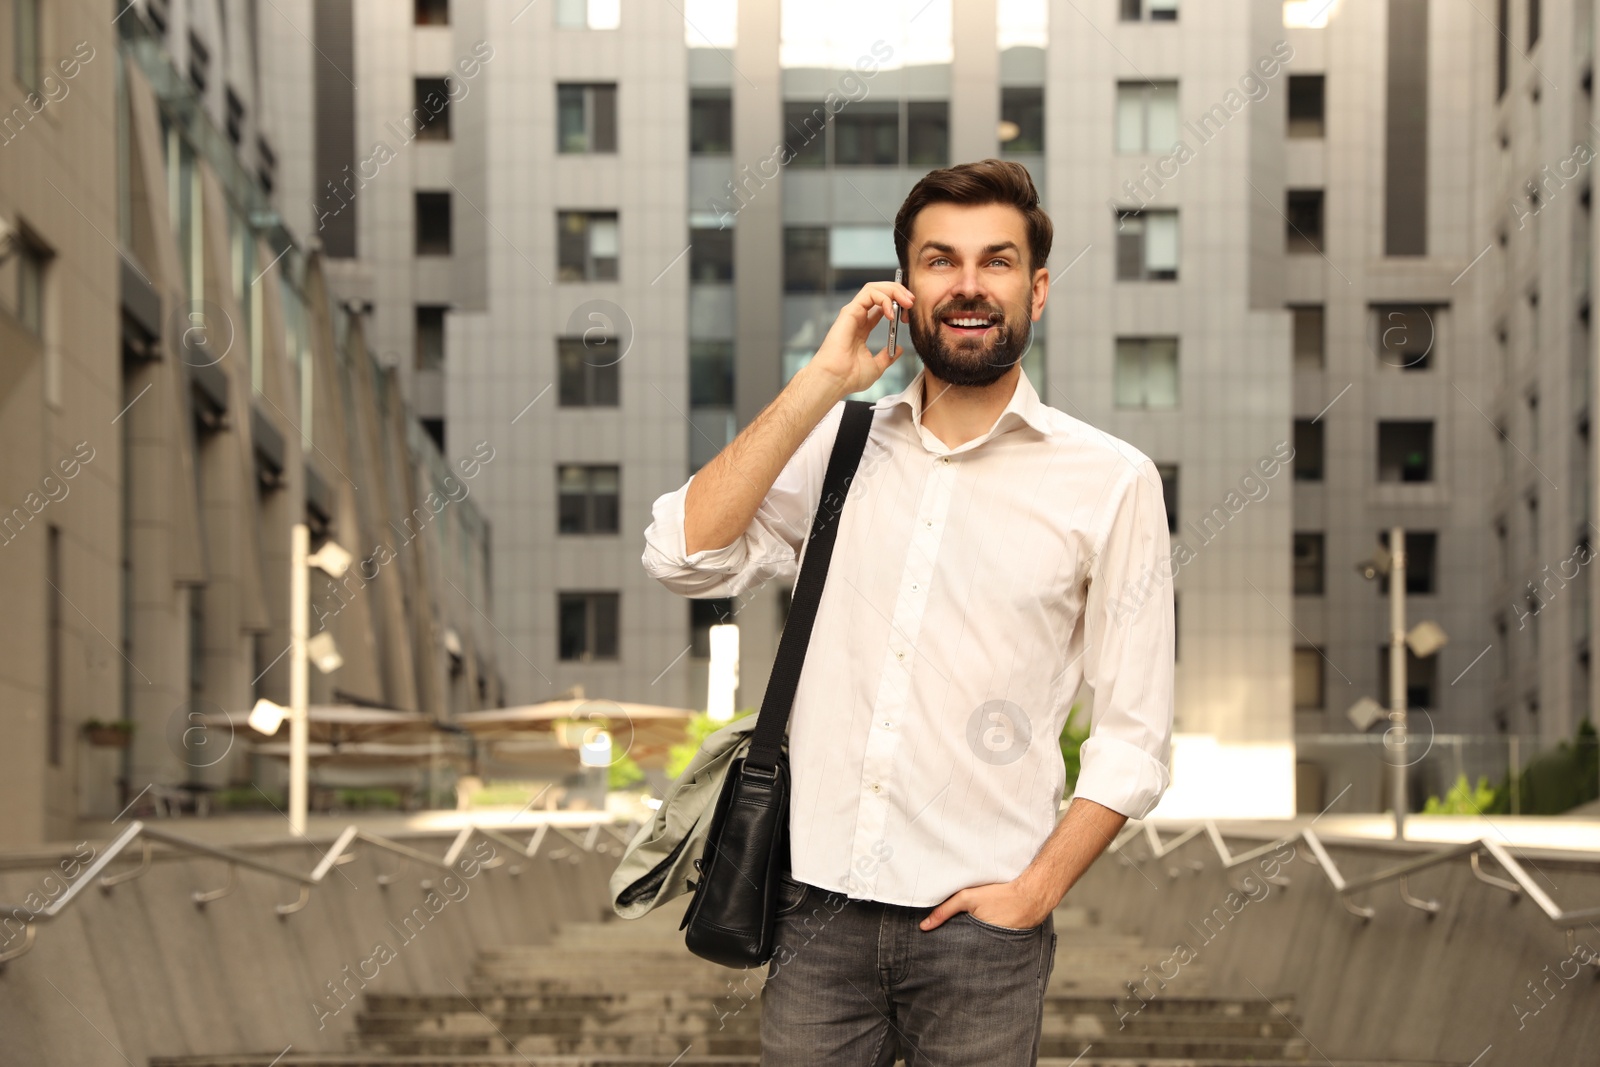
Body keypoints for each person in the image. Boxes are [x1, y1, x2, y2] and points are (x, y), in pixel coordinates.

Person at [641, 158, 1174, 1066]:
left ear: (1036, 290)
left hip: (983, 932)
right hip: (812, 914)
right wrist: (823, 379)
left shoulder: (1111, 481)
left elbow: (1135, 734)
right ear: (905, 285)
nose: (969, 285)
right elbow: (681, 554)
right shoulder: (837, 449)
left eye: (997, 261)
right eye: (940, 260)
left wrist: (1035, 892)